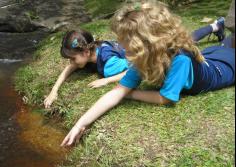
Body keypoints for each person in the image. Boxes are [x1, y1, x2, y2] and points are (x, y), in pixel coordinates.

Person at [61, 1, 235, 147]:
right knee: (225, 45)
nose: (120, 47)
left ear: (144, 44)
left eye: (124, 43)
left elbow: (165, 98)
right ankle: (222, 33)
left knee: (229, 49)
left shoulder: (181, 60)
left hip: (224, 70)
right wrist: (80, 124)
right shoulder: (143, 57)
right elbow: (115, 93)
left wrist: (130, 94)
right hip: (213, 57)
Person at [44, 29, 129, 108]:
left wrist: (106, 80)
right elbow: (70, 68)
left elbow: (134, 70)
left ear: (87, 52)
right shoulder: (91, 52)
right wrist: (54, 90)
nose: (71, 62)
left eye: (73, 58)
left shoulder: (108, 64)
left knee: (108, 72)